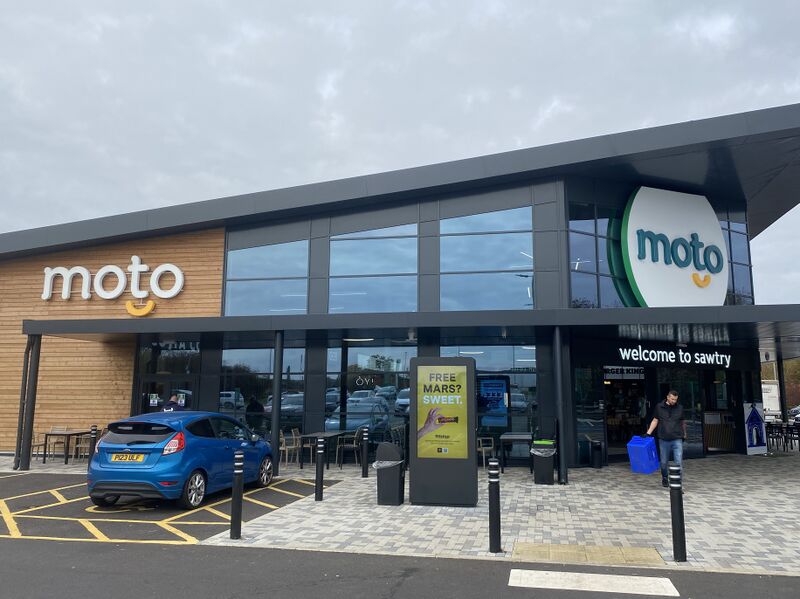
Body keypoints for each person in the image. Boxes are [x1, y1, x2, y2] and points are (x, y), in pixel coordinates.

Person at [646, 390, 686, 488]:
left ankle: (678, 485)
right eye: (672, 399)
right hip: (664, 439)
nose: (674, 401)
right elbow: (655, 420)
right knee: (664, 462)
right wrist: (648, 433)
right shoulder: (659, 407)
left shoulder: (680, 408)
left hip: (677, 438)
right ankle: (664, 477)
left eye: (675, 399)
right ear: (667, 397)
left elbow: (682, 422)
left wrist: (684, 434)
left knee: (678, 462)